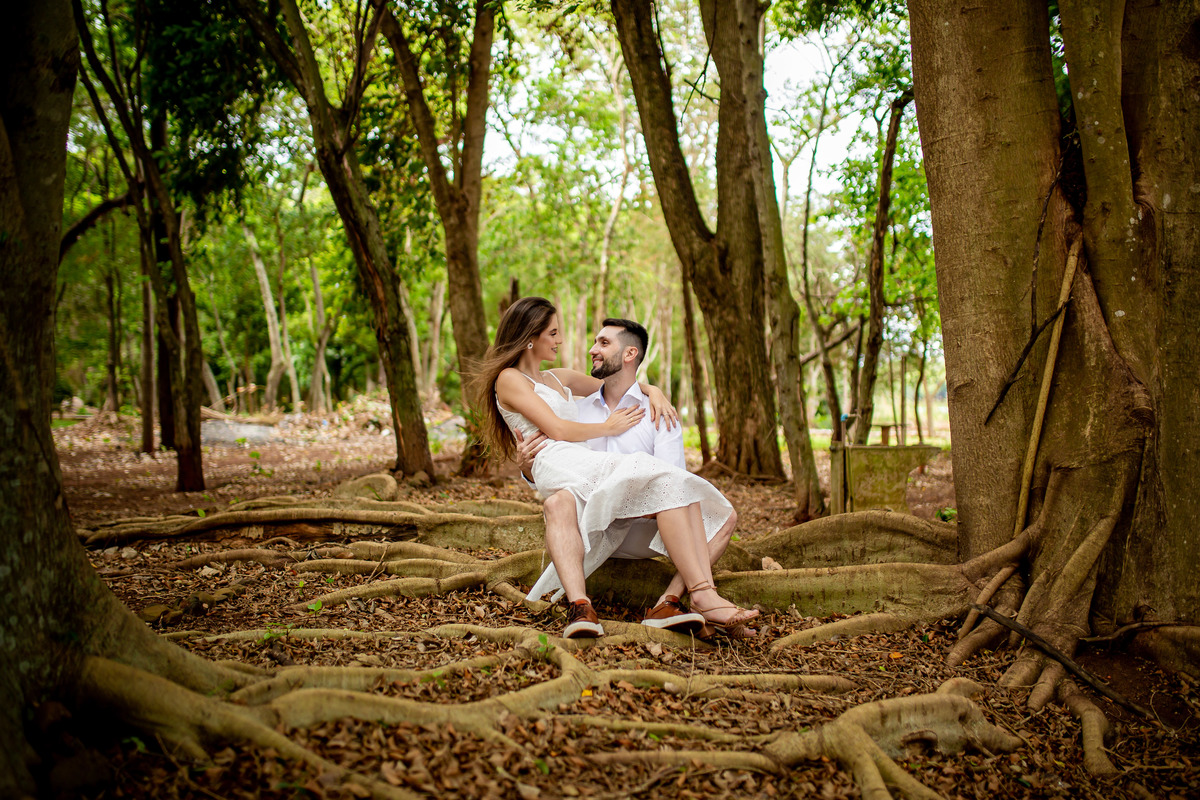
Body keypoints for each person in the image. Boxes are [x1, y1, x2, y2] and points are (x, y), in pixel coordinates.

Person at [470, 296, 758, 640]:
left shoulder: (558, 378)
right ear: (531, 337)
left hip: (584, 471)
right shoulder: (509, 378)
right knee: (643, 477)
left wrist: (654, 391)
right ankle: (588, 606)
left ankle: (684, 600)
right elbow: (557, 430)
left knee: (689, 494)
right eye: (554, 333)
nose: (561, 340)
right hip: (559, 463)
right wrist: (607, 428)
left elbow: (621, 383)